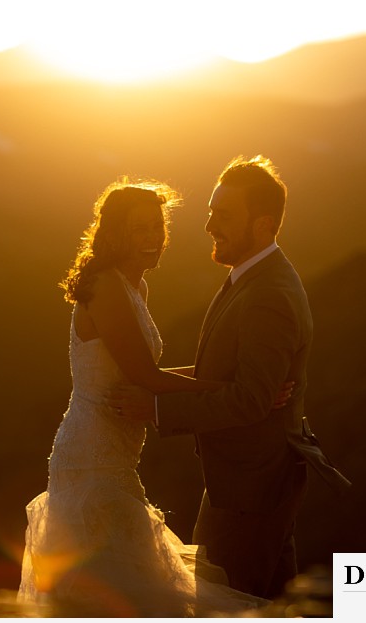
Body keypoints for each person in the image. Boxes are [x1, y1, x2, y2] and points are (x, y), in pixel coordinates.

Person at [17, 179, 289, 616]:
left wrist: (238, 380)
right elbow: (148, 376)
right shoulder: (105, 286)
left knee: (128, 589)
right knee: (113, 592)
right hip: (91, 458)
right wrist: (239, 391)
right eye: (139, 229)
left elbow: (151, 374)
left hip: (117, 457)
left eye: (157, 228)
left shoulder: (134, 288)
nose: (153, 239)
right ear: (113, 233)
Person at [111, 156, 351, 600]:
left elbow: (251, 400)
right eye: (210, 212)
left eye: (222, 216)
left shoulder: (268, 296)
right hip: (250, 481)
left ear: (262, 225)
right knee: (269, 601)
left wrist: (158, 407)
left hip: (251, 489)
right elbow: (230, 380)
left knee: (221, 601)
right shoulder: (252, 278)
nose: (208, 227)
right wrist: (152, 380)